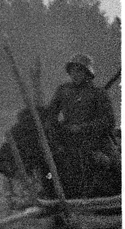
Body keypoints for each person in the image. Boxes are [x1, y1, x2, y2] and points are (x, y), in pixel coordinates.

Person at [47, 54, 118, 195]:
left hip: (95, 140)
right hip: (69, 140)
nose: (75, 74)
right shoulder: (63, 91)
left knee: (112, 164)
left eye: (79, 71)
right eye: (72, 70)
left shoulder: (99, 93)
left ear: (87, 73)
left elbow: (108, 121)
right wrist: (58, 129)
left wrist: (83, 128)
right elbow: (50, 115)